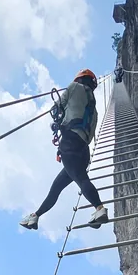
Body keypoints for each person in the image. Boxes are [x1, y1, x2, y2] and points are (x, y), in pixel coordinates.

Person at [19, 69, 108, 231]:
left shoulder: (74, 87)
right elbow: (90, 133)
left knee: (81, 180)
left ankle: (99, 208)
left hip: (70, 142)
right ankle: (35, 216)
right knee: (56, 188)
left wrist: (59, 121)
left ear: (80, 79)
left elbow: (56, 108)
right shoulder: (94, 109)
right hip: (83, 150)